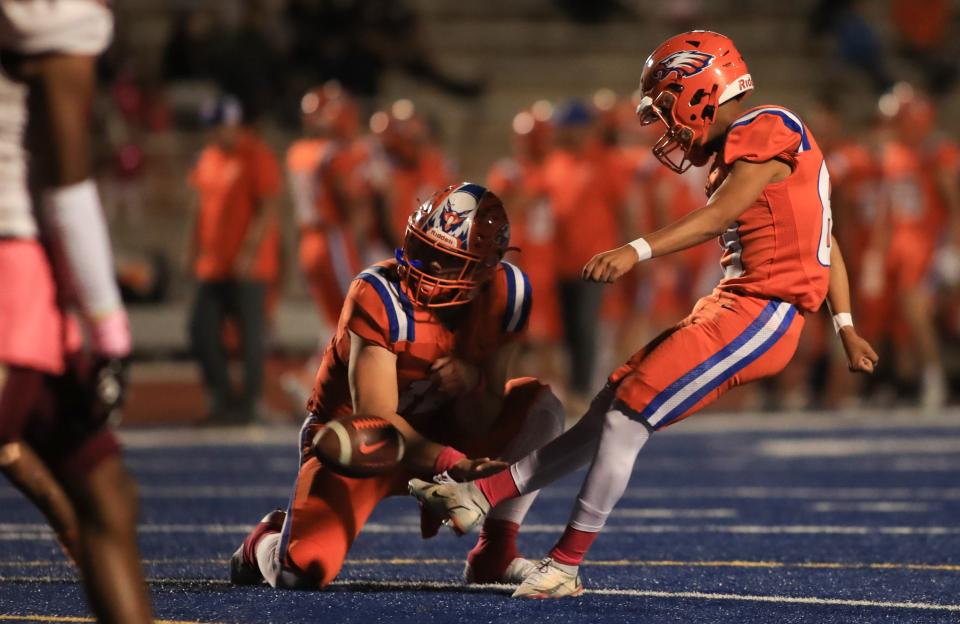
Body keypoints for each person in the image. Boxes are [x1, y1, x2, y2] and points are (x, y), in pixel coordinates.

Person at [411, 30, 880, 599]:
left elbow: (722, 217)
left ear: (698, 90)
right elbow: (826, 242)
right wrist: (847, 326)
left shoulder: (768, 127)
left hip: (763, 313)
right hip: (736, 306)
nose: (667, 126)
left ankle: (563, 564)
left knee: (624, 417)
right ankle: (479, 498)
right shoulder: (760, 147)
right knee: (612, 401)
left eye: (666, 108)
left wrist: (633, 250)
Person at [229, 182, 566, 589]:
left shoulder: (508, 293)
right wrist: (452, 464)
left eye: (444, 259)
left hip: (443, 427)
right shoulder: (380, 294)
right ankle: (263, 543)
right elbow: (377, 419)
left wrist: (472, 382)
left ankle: (495, 550)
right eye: (423, 250)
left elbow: (488, 411)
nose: (425, 266)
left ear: (483, 270)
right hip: (360, 442)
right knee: (299, 572)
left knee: (543, 408)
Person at [0, 1, 152, 620]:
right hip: (11, 266)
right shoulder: (51, 12)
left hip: (21, 265)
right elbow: (67, 180)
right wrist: (109, 330)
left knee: (104, 493)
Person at [187, 95, 282, 423]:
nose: (213, 134)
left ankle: (250, 404)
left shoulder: (255, 155)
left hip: (248, 267)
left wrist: (249, 252)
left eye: (218, 126)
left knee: (249, 336)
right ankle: (221, 401)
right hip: (212, 265)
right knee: (201, 330)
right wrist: (193, 251)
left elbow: (266, 208)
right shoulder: (208, 158)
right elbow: (201, 209)